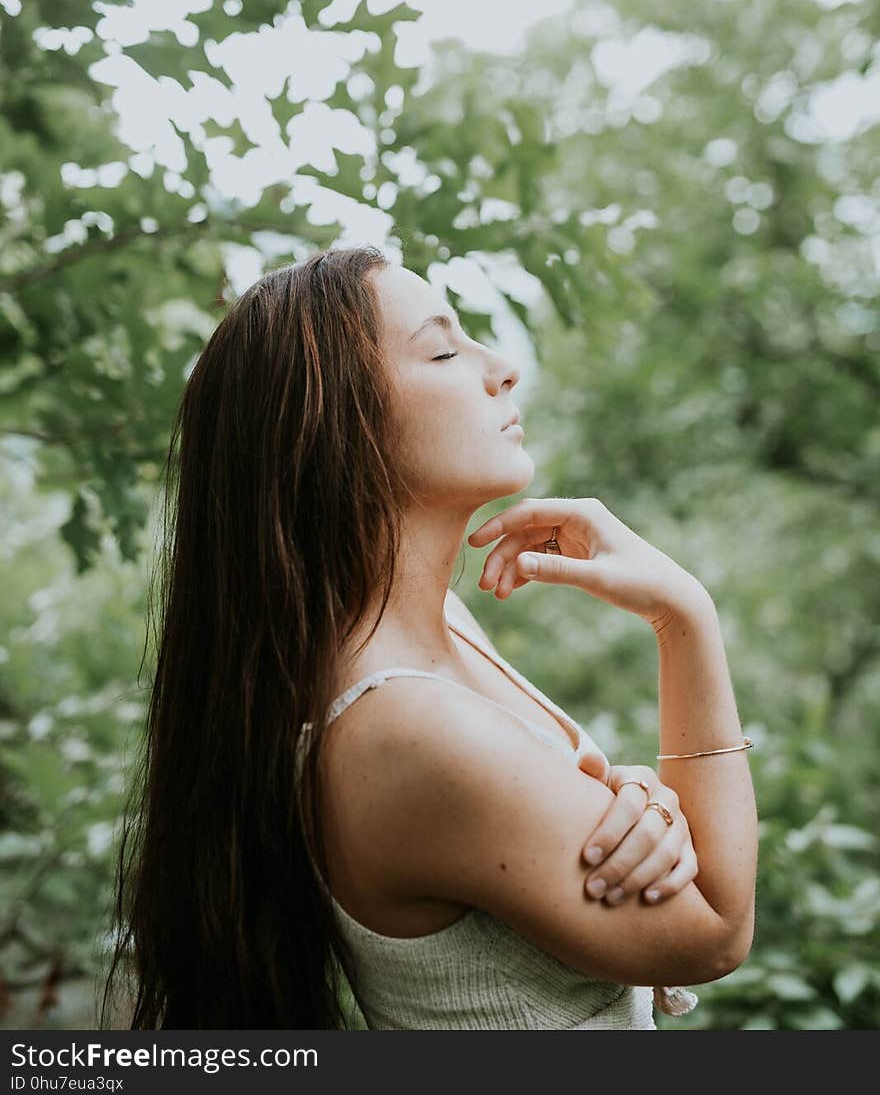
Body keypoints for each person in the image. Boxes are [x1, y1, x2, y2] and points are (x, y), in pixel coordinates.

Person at [100, 245, 757, 1030]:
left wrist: (638, 797)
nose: (502, 366)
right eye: (444, 350)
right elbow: (714, 930)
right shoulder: (404, 728)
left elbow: (542, 816)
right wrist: (683, 618)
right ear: (336, 425)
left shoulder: (432, 625)